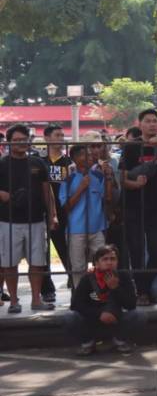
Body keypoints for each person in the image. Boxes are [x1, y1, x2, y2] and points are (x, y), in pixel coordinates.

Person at [120, 109, 157, 305]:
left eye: (155, 121)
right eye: (148, 121)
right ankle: (141, 291)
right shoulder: (131, 147)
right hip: (133, 206)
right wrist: (135, 184)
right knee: (136, 251)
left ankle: (151, 288)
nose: (153, 124)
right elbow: (123, 178)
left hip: (156, 205)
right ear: (140, 124)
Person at [0, 124, 59, 312]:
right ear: (9, 142)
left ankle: (36, 300)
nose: (20, 143)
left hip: (36, 220)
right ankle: (14, 301)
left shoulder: (38, 163)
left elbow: (47, 191)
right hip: (8, 221)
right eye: (16, 140)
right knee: (9, 263)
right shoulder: (1, 164)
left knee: (37, 262)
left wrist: (53, 215)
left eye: (23, 139)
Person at [67, 245, 142, 356]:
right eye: (105, 259)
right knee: (70, 317)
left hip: (115, 319)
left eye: (112, 259)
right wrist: (99, 314)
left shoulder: (123, 276)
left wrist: (116, 288)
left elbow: (131, 305)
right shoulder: (88, 278)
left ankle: (119, 341)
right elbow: (76, 304)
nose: (109, 262)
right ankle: (87, 344)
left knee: (139, 315)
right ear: (97, 263)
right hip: (91, 320)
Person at [60, 144, 112, 287]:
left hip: (97, 227)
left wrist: (108, 178)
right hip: (76, 229)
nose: (89, 157)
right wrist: (81, 188)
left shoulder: (98, 177)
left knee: (104, 262)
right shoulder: (69, 180)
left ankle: (104, 292)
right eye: (84, 154)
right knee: (78, 267)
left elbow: (107, 199)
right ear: (75, 158)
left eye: (90, 154)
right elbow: (66, 207)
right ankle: (79, 295)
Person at [41, 123, 74, 302]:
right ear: (46, 138)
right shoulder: (39, 161)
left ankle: (73, 278)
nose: (61, 138)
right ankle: (47, 289)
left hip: (64, 212)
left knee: (67, 248)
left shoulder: (69, 162)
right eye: (57, 135)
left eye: (62, 135)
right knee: (42, 252)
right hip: (41, 212)